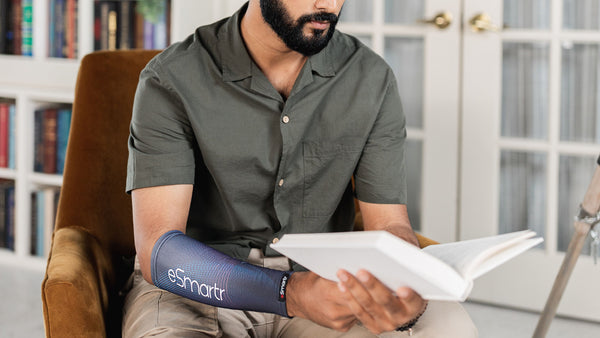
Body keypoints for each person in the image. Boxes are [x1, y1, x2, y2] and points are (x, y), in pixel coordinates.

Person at [123, 0, 478, 337]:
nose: (328, 4)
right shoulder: (171, 78)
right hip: (196, 283)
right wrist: (289, 293)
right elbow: (159, 251)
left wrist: (407, 290)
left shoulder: (371, 79)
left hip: (326, 283)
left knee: (450, 328)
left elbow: (389, 224)